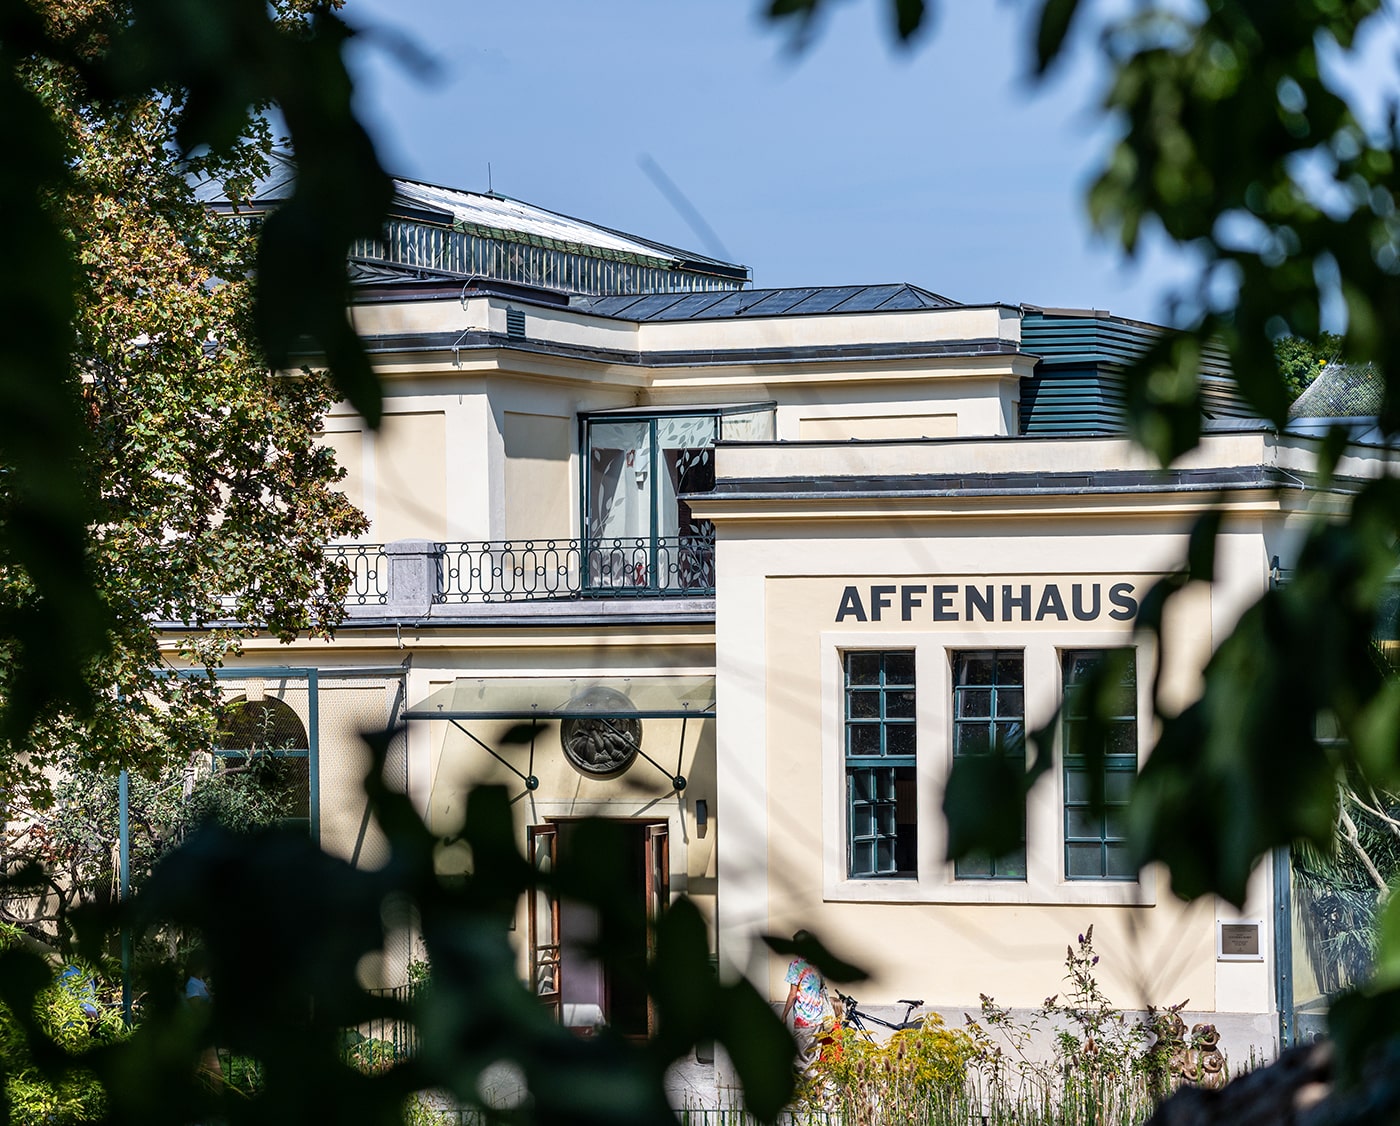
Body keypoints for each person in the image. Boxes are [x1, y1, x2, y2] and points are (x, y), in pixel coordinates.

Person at [781, 931, 834, 1078]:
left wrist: (784, 1015)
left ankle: (813, 1092)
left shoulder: (796, 965)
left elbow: (792, 994)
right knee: (812, 1060)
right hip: (818, 1020)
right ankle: (816, 1092)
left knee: (800, 1061)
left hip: (803, 1020)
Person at [184, 950, 223, 1081]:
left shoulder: (200, 981)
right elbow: (196, 1007)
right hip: (200, 1031)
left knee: (199, 1069)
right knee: (214, 1071)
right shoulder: (192, 984)